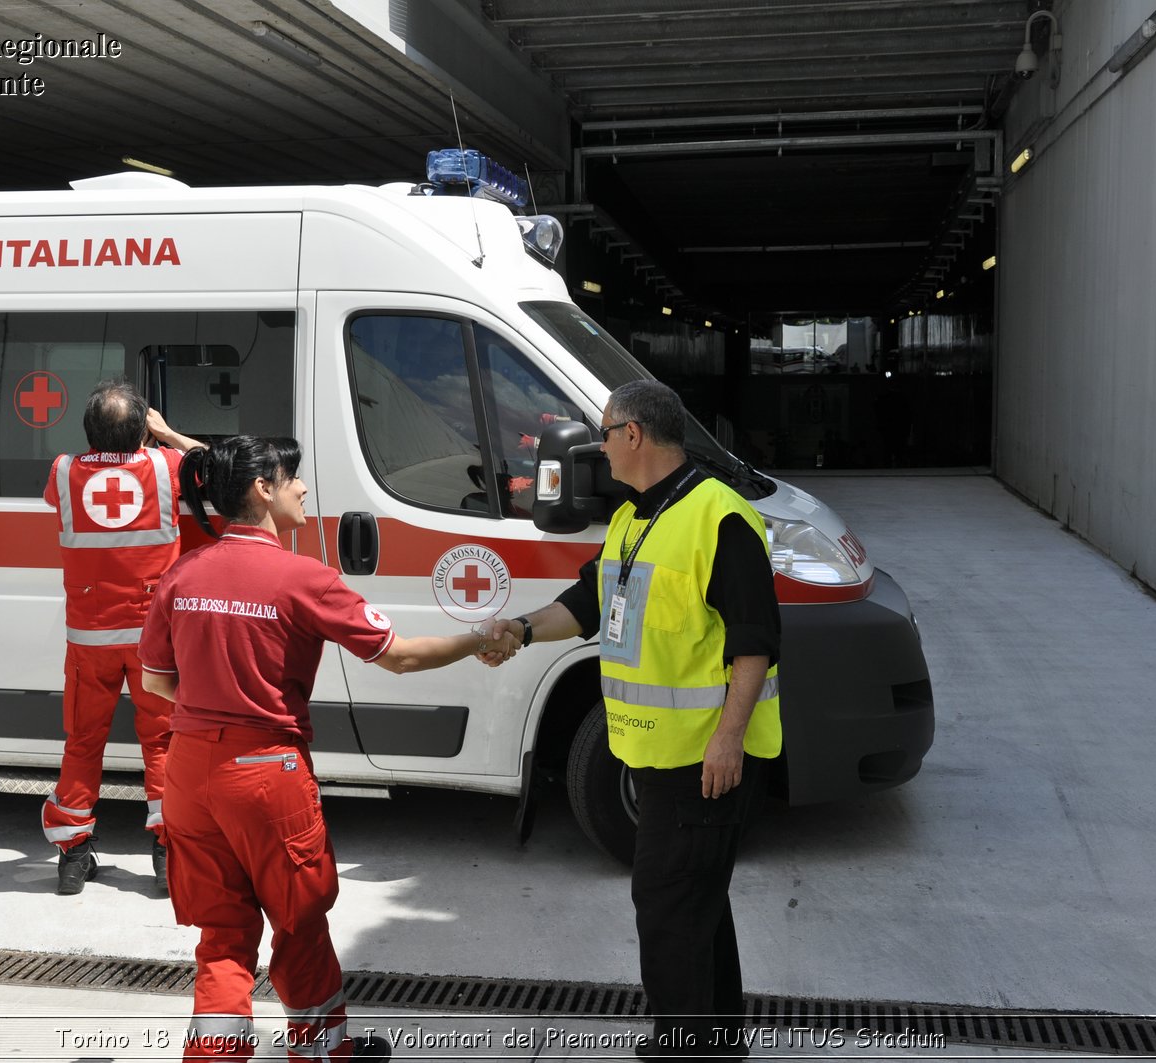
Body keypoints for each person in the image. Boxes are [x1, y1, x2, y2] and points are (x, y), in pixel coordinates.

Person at [138, 435, 515, 1063]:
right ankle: (321, 1052)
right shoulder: (302, 578)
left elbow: (155, 681)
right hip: (266, 774)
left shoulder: (183, 573)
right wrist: (478, 638)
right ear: (262, 489)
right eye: (293, 478)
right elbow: (397, 656)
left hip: (189, 771)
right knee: (298, 919)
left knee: (223, 935)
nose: (304, 488)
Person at [489, 379, 781, 1061]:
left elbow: (756, 642)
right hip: (656, 759)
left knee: (667, 911)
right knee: (698, 907)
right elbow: (591, 601)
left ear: (634, 435)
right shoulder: (634, 518)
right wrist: (523, 630)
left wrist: (728, 740)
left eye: (604, 431)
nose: (599, 445)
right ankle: (717, 1044)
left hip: (702, 763)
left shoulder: (720, 518)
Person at [40, 378, 204, 896]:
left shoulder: (63, 472)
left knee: (83, 742)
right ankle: (166, 853)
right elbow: (227, 467)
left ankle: (72, 856)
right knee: (162, 742)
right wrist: (169, 434)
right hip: (153, 639)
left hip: (90, 638)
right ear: (142, 430)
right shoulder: (165, 467)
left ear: (89, 432)